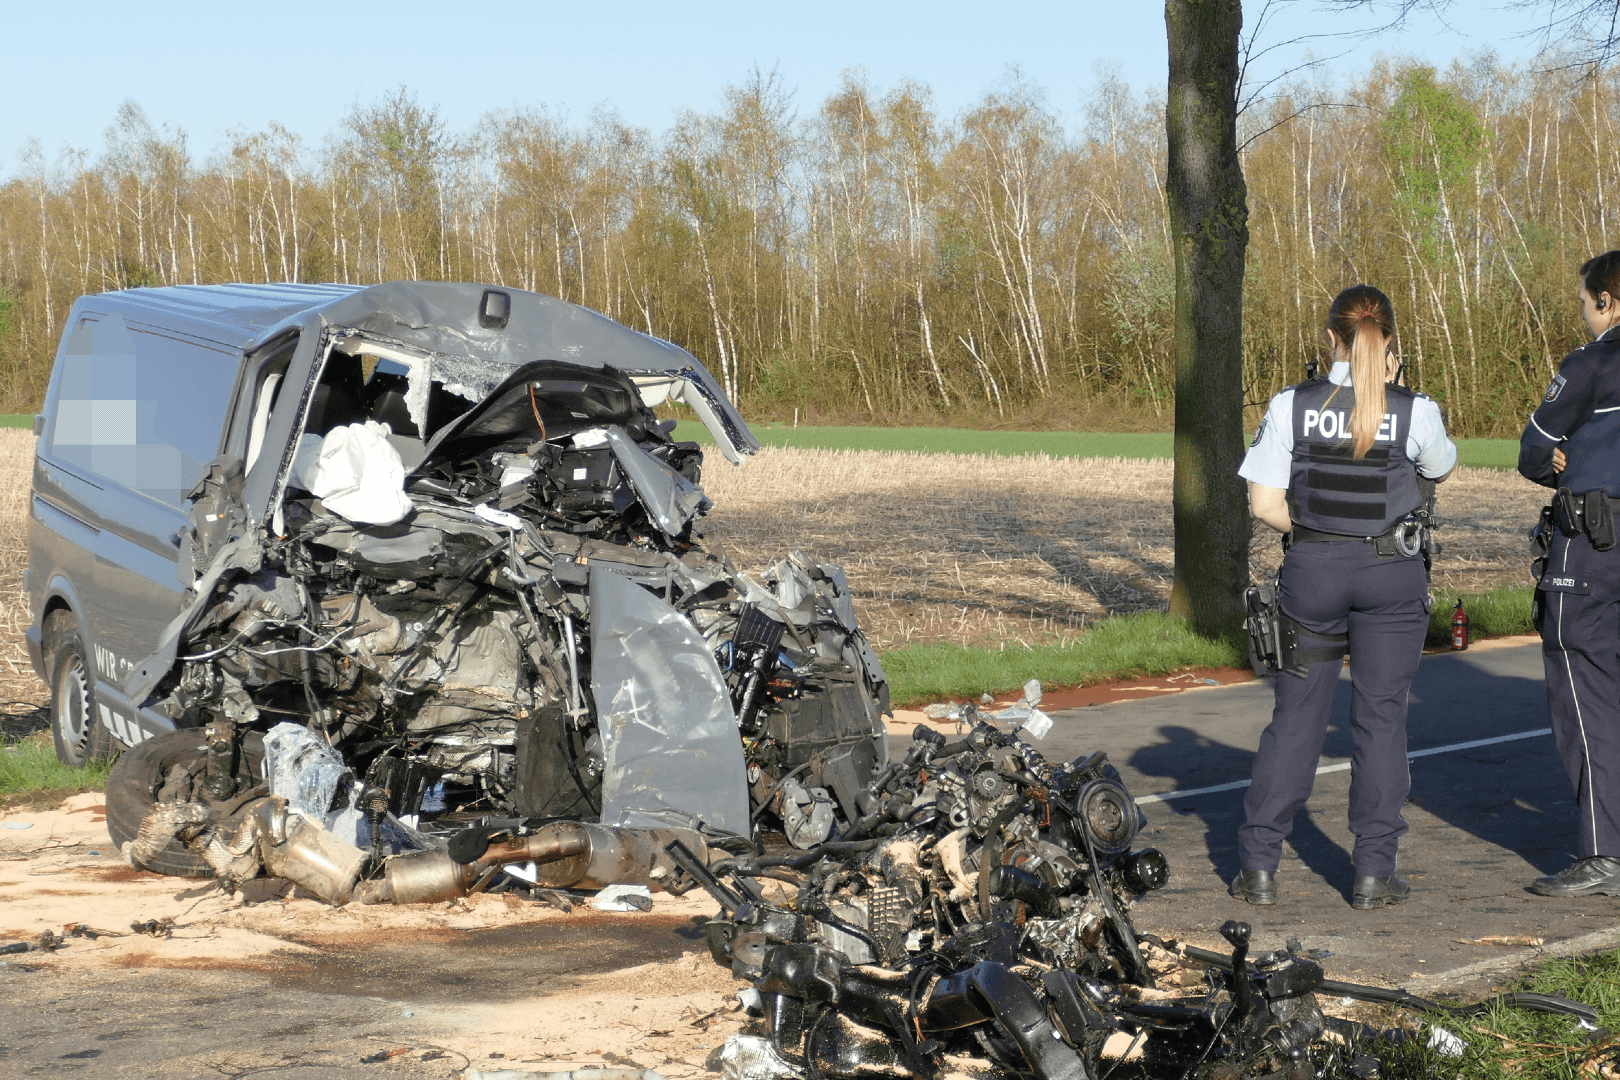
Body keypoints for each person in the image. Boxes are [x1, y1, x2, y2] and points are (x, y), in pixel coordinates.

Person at [1232, 284, 1457, 909]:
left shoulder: (1290, 406)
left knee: (1295, 718)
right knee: (1381, 719)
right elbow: (1438, 469)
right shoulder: (1417, 410)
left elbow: (1264, 505)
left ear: (1329, 337)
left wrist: (1317, 535)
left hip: (1312, 571)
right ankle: (1372, 874)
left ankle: (1258, 869)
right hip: (1392, 573)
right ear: (1390, 342)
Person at [1517, 250, 1620, 897]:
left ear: (1607, 302)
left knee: (1583, 682)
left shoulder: (1592, 364)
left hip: (1595, 543)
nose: (1584, 315)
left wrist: (1555, 455)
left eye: (1586, 304)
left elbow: (1534, 449)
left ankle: (1603, 851)